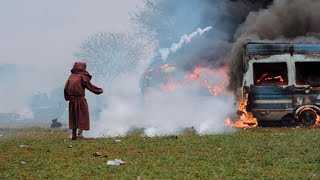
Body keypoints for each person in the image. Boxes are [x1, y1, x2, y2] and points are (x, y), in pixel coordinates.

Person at [64, 62, 103, 140]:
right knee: (82, 116)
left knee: (73, 116)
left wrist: (68, 98)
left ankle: (74, 134)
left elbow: (65, 88)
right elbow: (89, 86)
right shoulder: (83, 76)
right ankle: (79, 134)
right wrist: (99, 90)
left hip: (72, 100)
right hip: (80, 99)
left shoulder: (71, 76)